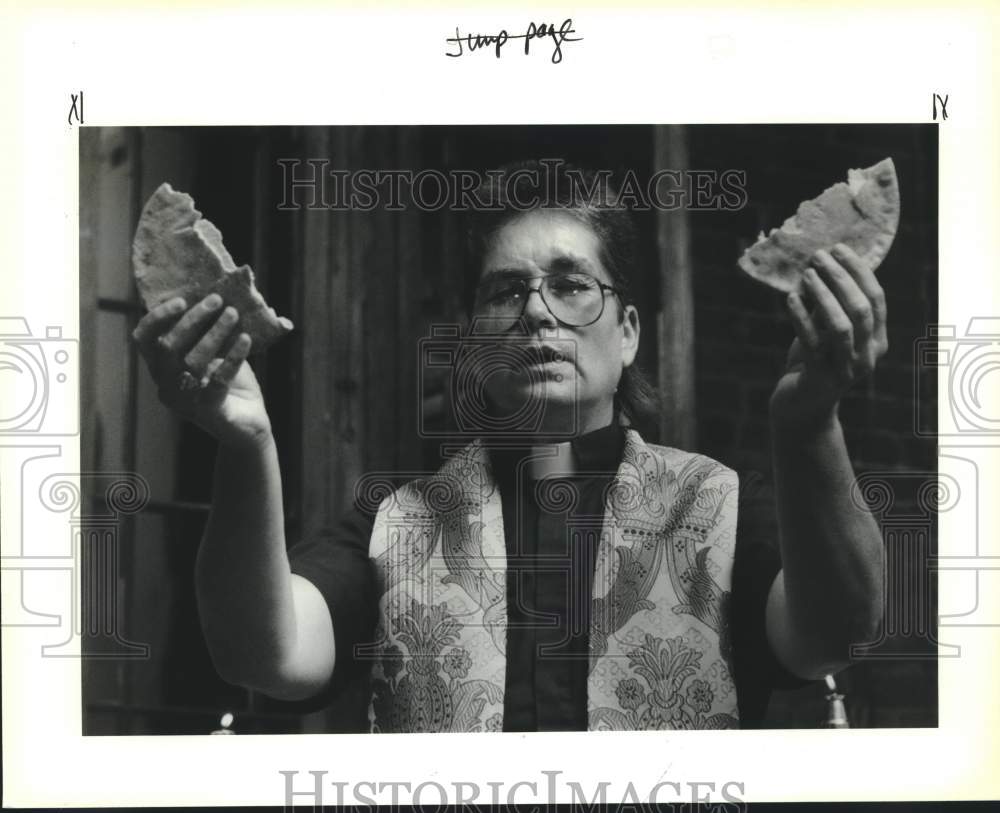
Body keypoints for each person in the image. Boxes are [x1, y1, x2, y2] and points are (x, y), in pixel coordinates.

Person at [133, 162, 886, 732]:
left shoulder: (718, 503)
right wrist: (244, 445)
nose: (536, 313)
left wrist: (810, 423)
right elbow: (263, 653)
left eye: (571, 284)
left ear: (627, 333)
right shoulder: (394, 521)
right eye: (504, 292)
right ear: (473, 342)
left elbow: (835, 633)